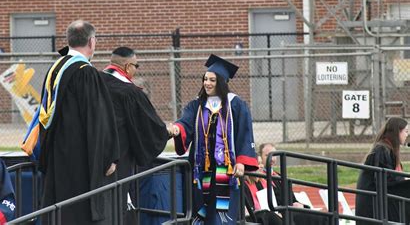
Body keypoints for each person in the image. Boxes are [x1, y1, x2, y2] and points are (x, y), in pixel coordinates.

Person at [37, 20, 119, 224]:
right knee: (78, 211)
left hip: (57, 154)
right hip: (81, 159)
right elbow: (97, 120)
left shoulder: (55, 69)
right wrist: (107, 157)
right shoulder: (85, 72)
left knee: (60, 211)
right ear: (91, 42)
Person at [168, 54, 258, 224]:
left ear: (222, 82)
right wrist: (176, 129)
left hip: (227, 170)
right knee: (201, 211)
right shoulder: (197, 104)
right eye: (205, 79)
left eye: (212, 80)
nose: (207, 83)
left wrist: (241, 161)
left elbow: (245, 134)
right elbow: (185, 122)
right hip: (202, 169)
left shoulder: (235, 104)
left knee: (220, 216)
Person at [100, 46, 168, 212]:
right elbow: (149, 126)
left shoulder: (95, 82)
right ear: (128, 66)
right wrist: (167, 131)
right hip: (119, 157)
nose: (136, 70)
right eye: (136, 66)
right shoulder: (129, 91)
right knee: (117, 202)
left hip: (94, 153)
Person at [244, 143, 328, 225]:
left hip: (284, 212)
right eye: (267, 155)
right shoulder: (250, 183)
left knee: (323, 218)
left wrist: (301, 206)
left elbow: (292, 200)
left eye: (274, 155)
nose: (272, 159)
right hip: (270, 215)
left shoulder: (280, 177)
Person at [356, 117, 410, 225]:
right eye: (406, 131)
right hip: (373, 206)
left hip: (381, 202)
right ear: (397, 132)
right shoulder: (381, 150)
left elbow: (391, 179)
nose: (407, 135)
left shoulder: (387, 149)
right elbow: (386, 181)